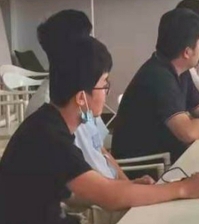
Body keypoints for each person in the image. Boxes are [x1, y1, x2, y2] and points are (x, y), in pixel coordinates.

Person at [0, 35, 199, 224]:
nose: (107, 91)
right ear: (81, 97)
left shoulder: (50, 121)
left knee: (157, 216)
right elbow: (109, 197)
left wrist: (128, 187)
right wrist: (183, 188)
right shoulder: (50, 137)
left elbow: (78, 191)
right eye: (104, 85)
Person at [112, 8, 199, 164]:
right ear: (187, 52)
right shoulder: (158, 77)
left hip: (168, 156)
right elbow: (187, 132)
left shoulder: (179, 69)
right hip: (147, 167)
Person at [24, 10, 133, 182]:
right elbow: (84, 186)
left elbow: (101, 150)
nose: (93, 44)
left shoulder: (85, 96)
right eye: (88, 38)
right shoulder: (55, 109)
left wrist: (128, 184)